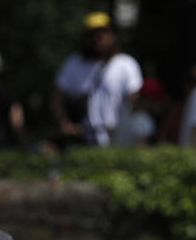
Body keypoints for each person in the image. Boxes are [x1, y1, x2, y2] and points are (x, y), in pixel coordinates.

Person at [50, 11, 143, 147]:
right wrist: (64, 123)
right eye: (93, 34)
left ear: (111, 34)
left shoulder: (125, 64)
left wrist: (127, 125)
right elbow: (56, 96)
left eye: (102, 33)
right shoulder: (74, 63)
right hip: (83, 138)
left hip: (117, 137)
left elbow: (136, 98)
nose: (98, 38)